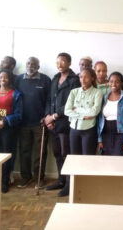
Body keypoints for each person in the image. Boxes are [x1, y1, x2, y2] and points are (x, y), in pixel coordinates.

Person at [44, 53, 80, 196]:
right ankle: (61, 180)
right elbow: (48, 100)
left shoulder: (74, 80)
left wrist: (54, 116)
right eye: (57, 62)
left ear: (69, 63)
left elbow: (72, 103)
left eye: (63, 62)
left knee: (66, 154)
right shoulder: (55, 78)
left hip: (65, 122)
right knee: (57, 153)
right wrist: (48, 117)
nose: (59, 64)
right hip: (52, 123)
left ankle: (69, 184)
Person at [15, 57, 51, 189]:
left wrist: (46, 115)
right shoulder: (18, 79)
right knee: (24, 151)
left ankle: (39, 178)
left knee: (40, 152)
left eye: (34, 64)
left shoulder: (45, 79)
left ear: (39, 66)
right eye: (28, 63)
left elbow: (49, 100)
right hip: (23, 122)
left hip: (39, 122)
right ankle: (26, 177)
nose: (31, 66)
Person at [65, 67, 103, 155]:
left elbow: (94, 111)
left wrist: (76, 109)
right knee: (75, 157)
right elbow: (67, 111)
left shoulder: (97, 92)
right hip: (74, 130)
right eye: (81, 77)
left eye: (86, 77)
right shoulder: (74, 92)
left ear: (92, 78)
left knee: (87, 158)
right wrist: (83, 116)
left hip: (88, 130)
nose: (83, 79)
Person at [97, 72, 123, 156]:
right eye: (111, 81)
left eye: (117, 82)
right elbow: (100, 119)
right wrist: (99, 138)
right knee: (106, 161)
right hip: (106, 134)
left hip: (121, 134)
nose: (113, 84)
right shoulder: (104, 97)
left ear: (122, 83)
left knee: (119, 161)